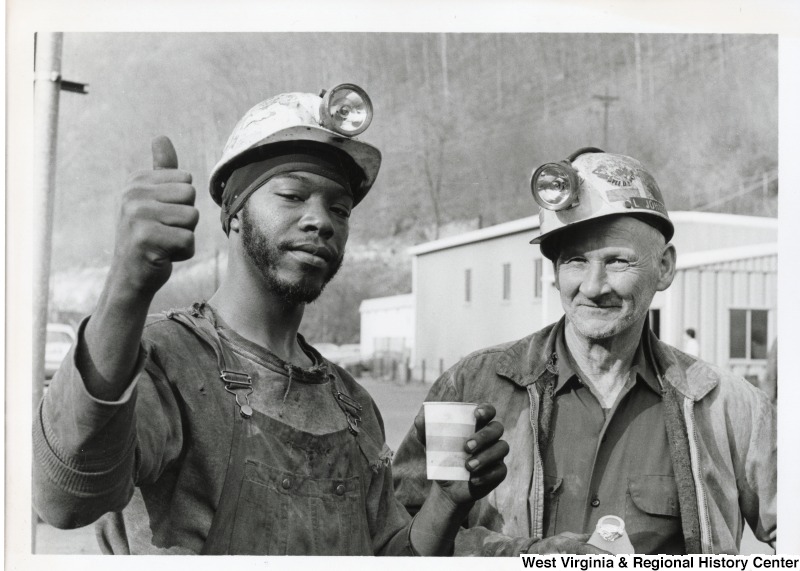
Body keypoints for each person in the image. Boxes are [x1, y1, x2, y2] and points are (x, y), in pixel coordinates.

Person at [33, 85, 509, 555]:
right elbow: (65, 499)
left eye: (339, 208)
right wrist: (126, 285)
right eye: (292, 195)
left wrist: (446, 501)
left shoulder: (352, 404)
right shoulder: (168, 361)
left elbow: (388, 558)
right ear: (233, 212)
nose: (321, 221)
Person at [393, 148, 776, 555]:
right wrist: (524, 558)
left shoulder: (730, 408)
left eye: (617, 261)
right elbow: (399, 536)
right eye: (575, 260)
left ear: (664, 267)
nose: (593, 286)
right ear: (555, 272)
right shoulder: (472, 388)